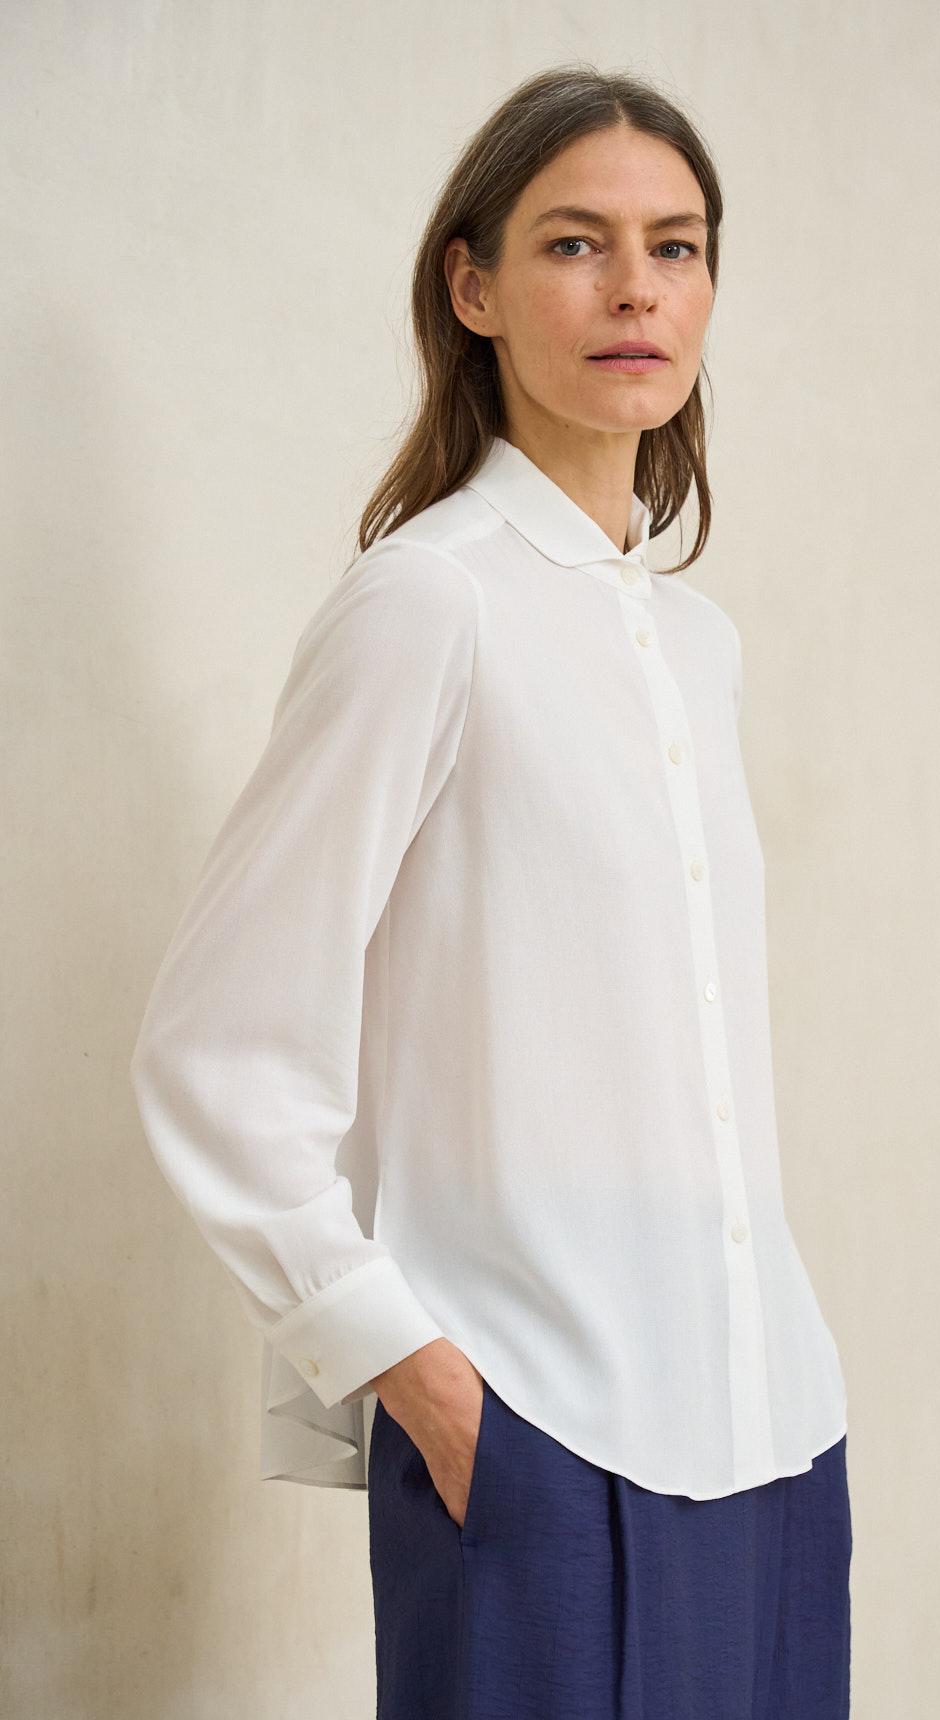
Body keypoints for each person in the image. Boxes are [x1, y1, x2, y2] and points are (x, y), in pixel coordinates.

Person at [129, 60, 852, 1720]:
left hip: (775, 1439)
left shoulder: (699, 645)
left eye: (676, 247)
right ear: (473, 288)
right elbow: (219, 1049)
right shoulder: (426, 605)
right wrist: (421, 1382)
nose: (634, 290)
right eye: (574, 243)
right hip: (543, 1447)